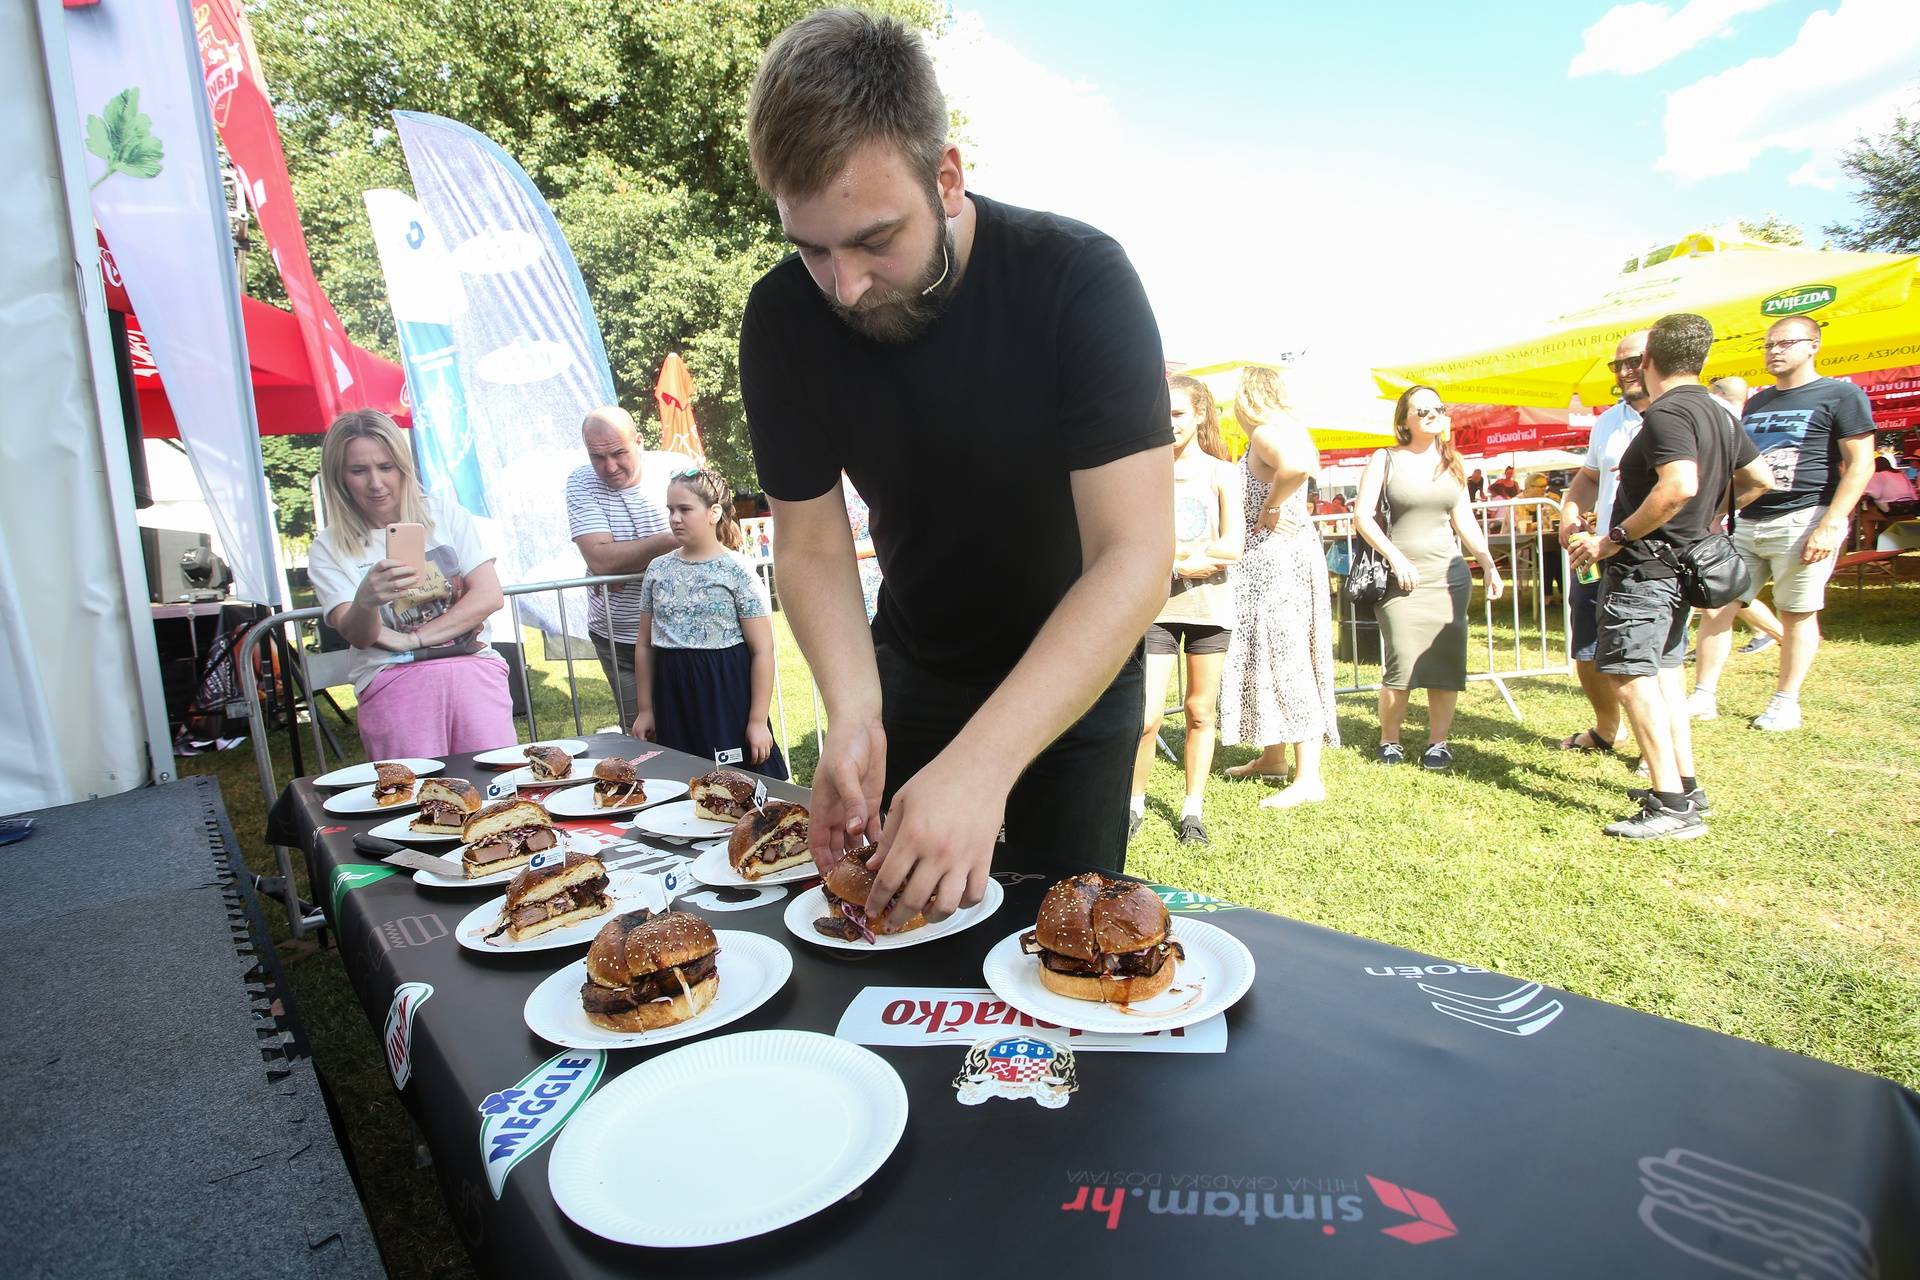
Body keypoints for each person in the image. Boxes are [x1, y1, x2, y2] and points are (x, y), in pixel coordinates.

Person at [737, 10, 1173, 928]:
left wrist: (982, 766)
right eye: (811, 248)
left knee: (1060, 946)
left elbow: (1133, 556)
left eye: (874, 240)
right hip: (915, 664)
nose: (843, 287)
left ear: (947, 177)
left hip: (1073, 676)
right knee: (891, 934)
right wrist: (854, 712)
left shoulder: (1078, 281)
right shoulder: (780, 321)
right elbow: (811, 544)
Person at [1569, 313, 1770, 839]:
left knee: (1631, 677)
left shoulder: (1666, 413)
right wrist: (1701, 526)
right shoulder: (1719, 411)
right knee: (1663, 676)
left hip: (1646, 570)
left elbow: (1677, 484)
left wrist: (1613, 538)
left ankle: (1670, 805)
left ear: (1651, 360)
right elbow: (1758, 478)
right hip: (1680, 565)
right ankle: (1684, 784)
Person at [1688, 316, 1875, 731]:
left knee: (1797, 612)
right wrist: (1719, 514)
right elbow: (1742, 468)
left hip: (1803, 518)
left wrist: (1831, 523)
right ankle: (1703, 696)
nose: (1774, 350)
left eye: (1786, 342)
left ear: (1814, 346)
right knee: (1717, 605)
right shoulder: (1757, 402)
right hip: (1746, 520)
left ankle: (1785, 702)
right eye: (1769, 343)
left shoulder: (1841, 395)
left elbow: (1861, 463)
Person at [306, 410, 513, 758]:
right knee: (413, 796)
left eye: (386, 467)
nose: (376, 483)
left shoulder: (445, 514)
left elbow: (489, 595)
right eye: (359, 470)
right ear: (339, 476)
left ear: (403, 465)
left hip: (474, 670)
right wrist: (367, 601)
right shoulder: (329, 546)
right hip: (394, 683)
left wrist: (410, 639)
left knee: (495, 786)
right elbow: (358, 634)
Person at [1355, 386, 1505, 770]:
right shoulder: (1385, 459)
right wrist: (1395, 557)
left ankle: (1439, 742)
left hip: (1448, 575)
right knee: (1401, 660)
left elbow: (1464, 518)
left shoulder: (1452, 460)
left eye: (1438, 409)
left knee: (1445, 661)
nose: (1432, 415)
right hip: (1400, 576)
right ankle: (1390, 741)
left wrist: (1487, 562)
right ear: (1405, 419)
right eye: (1422, 411)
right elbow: (1363, 517)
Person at [1218, 366, 1340, 806]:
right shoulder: (1288, 430)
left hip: (1273, 558)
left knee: (1285, 656)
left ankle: (1308, 777)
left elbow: (1295, 468)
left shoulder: (1267, 433)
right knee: (1273, 653)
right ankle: (1273, 757)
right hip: (1283, 556)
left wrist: (1270, 506)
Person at [1130, 375, 1242, 843]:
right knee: (1147, 717)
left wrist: (1194, 561)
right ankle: (1133, 803)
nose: (1168, 422)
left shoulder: (1222, 472)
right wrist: (1177, 563)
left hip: (1208, 607)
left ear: (1199, 415)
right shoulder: (1142, 470)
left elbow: (1233, 544)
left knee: (1200, 711)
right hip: (1154, 607)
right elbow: (1134, 540)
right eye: (1162, 412)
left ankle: (1192, 809)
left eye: (1177, 413)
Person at [628, 467, 787, 780]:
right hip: (673, 692)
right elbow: (645, 645)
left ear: (714, 513)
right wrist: (646, 709)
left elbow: (762, 649)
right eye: (671, 510)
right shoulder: (658, 569)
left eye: (685, 510)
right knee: (682, 777)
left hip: (725, 691)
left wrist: (756, 721)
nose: (675, 518)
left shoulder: (737, 570)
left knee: (737, 777)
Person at [1556, 331, 1648, 756]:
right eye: (1618, 365)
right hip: (1596, 551)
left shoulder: (1689, 413)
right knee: (1587, 646)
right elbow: (1590, 477)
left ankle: (1658, 756)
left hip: (1650, 556)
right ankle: (1607, 729)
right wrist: (1570, 510)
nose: (1626, 371)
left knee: (1649, 663)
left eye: (1635, 361)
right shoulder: (1610, 420)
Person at [566, 406, 676, 724]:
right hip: (619, 637)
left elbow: (708, 538)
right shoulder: (581, 482)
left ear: (639, 441)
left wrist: (625, 561)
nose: (609, 466)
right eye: (597, 457)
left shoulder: (675, 469)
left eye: (618, 453)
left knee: (690, 727)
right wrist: (671, 541)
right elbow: (601, 559)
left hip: (679, 633)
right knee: (642, 732)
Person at [1516, 472, 1563, 603]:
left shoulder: (1550, 499)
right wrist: (1541, 522)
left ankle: (1558, 593)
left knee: (1557, 552)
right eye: (1540, 486)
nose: (1544, 489)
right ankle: (1549, 595)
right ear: (1529, 486)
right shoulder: (1518, 502)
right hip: (1524, 544)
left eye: (1545, 486)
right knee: (1548, 556)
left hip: (1548, 541)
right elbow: (1520, 526)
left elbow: (1557, 519)